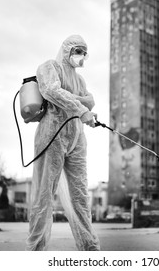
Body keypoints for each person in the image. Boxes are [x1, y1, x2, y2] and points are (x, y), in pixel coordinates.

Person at [26, 35, 100, 251]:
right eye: (78, 50)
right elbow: (50, 90)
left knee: (81, 196)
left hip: (76, 137)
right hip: (52, 135)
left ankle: (90, 250)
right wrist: (81, 107)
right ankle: (35, 251)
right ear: (67, 49)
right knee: (44, 195)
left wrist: (82, 107)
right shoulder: (50, 67)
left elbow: (90, 99)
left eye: (84, 52)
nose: (81, 56)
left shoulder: (80, 80)